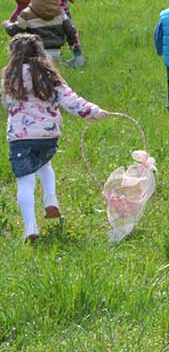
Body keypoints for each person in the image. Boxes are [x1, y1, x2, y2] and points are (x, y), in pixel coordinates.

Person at [4, 34, 108, 242]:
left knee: (25, 181)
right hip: (47, 134)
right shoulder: (49, 75)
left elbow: (7, 104)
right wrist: (93, 111)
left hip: (19, 137)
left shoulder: (8, 77)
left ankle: (30, 228)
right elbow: (70, 99)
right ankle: (51, 200)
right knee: (45, 165)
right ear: (39, 51)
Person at [6, 0, 82, 67]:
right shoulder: (59, 10)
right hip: (56, 52)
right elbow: (70, 30)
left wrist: (8, 25)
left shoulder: (27, 13)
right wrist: (75, 48)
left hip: (36, 53)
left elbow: (15, 31)